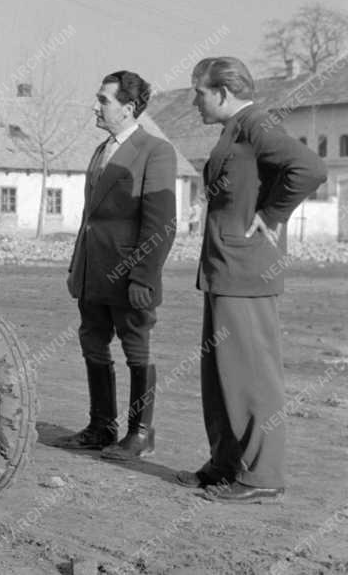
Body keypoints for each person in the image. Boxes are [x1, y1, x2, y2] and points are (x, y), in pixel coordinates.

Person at [176, 57, 325, 503]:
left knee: (252, 377)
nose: (194, 100)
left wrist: (271, 215)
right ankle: (225, 464)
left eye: (199, 92)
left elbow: (310, 169)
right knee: (222, 377)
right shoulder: (234, 129)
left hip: (246, 271)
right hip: (225, 269)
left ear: (222, 92)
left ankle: (262, 475)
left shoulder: (255, 125)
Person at [58, 71, 177, 460]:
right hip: (93, 272)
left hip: (129, 275)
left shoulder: (155, 150)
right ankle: (101, 426)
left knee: (136, 349)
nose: (96, 106)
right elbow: (89, 219)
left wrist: (143, 275)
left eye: (103, 100)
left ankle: (141, 433)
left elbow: (160, 223)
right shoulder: (100, 150)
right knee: (92, 342)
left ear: (128, 108)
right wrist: (79, 267)